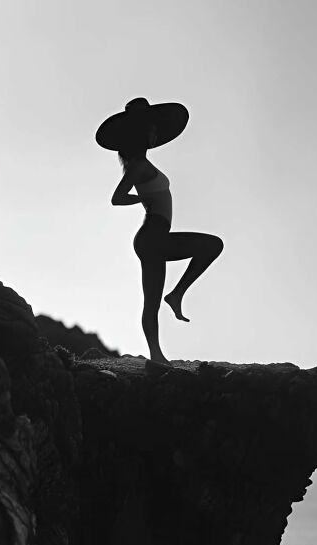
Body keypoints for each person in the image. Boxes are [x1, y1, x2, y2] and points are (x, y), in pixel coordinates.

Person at [96, 97, 224, 365]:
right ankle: (157, 353)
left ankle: (174, 299)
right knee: (210, 247)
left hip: (155, 236)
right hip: (152, 236)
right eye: (151, 128)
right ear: (141, 133)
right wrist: (142, 200)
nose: (155, 132)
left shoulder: (143, 164)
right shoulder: (138, 167)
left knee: (210, 248)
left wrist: (146, 199)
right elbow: (117, 198)